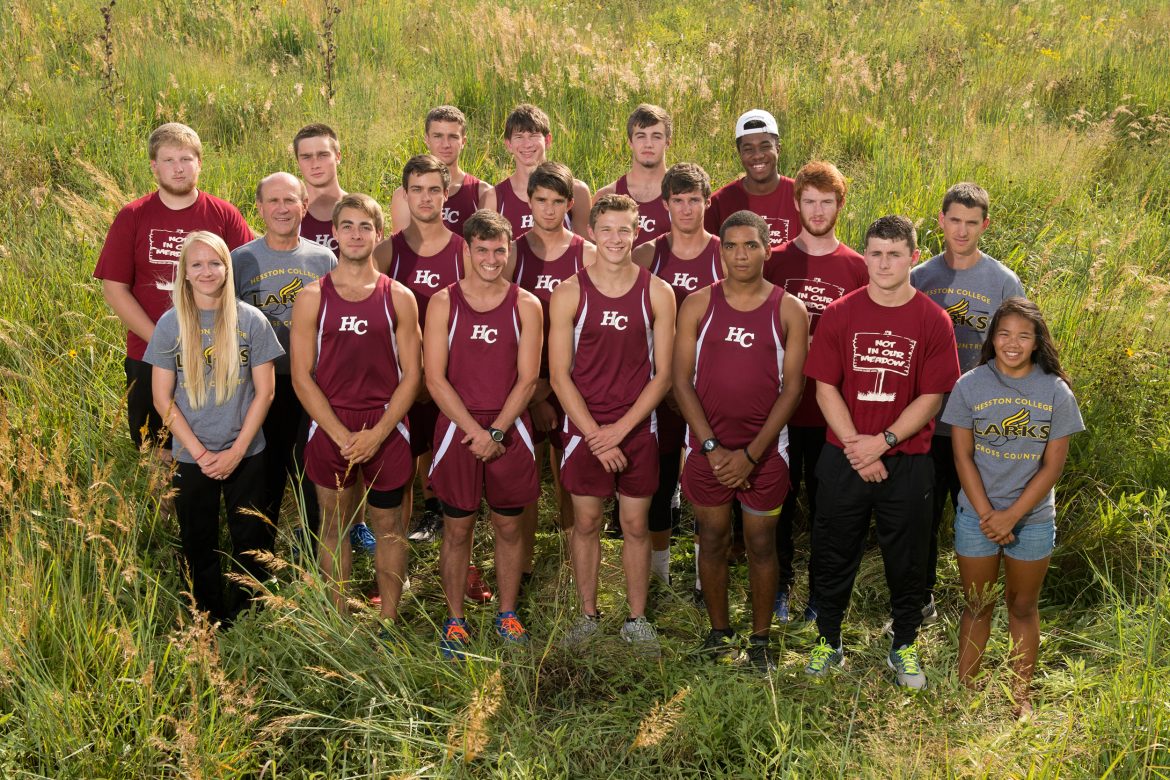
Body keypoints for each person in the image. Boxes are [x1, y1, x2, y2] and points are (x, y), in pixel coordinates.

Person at [802, 215, 959, 689]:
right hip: (844, 458)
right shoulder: (841, 312)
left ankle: (904, 645)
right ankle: (829, 641)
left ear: (913, 257)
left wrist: (883, 443)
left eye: (894, 253)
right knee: (832, 550)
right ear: (865, 256)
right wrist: (857, 447)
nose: (884, 262)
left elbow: (932, 396)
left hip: (908, 461)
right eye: (875, 253)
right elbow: (825, 386)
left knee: (908, 558)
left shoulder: (934, 319)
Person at [673, 210, 808, 672]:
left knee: (761, 543)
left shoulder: (789, 309)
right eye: (730, 245)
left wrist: (751, 455)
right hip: (708, 451)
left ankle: (761, 639)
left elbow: (793, 389)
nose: (740, 254)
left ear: (768, 249)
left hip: (765, 453)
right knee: (710, 537)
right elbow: (680, 381)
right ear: (720, 250)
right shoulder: (697, 304)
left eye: (750, 245)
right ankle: (718, 631)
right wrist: (711, 448)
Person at [942, 297, 1083, 717]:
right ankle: (968, 692)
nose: (1013, 343)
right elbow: (962, 457)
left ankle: (1020, 697)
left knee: (1022, 606)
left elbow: (1052, 466)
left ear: (1038, 341)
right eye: (1004, 333)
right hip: (977, 517)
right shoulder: (970, 385)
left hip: (1033, 519)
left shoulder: (1055, 391)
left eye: (1024, 335)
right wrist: (988, 514)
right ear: (992, 338)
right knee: (978, 604)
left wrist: (1012, 516)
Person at [548, 194, 675, 653]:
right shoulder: (569, 292)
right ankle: (587, 614)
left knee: (636, 524)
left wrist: (619, 432)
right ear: (592, 233)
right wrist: (595, 437)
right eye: (607, 229)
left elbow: (663, 375)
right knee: (585, 522)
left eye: (625, 230)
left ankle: (637, 619)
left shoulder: (657, 292)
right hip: (584, 428)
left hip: (636, 428)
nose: (616, 238)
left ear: (636, 232)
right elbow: (559, 375)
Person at [290, 194, 422, 623]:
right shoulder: (312, 297)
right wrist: (340, 434)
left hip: (385, 424)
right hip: (332, 425)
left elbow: (412, 376)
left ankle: (388, 620)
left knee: (389, 528)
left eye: (365, 227)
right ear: (333, 233)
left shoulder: (398, 297)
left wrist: (378, 433)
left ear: (378, 234)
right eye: (347, 226)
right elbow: (301, 377)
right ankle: (337, 621)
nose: (355, 234)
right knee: (335, 527)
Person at [144, 231, 282, 624]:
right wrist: (201, 454)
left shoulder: (251, 320)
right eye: (198, 264)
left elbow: (265, 392)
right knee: (198, 539)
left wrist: (237, 450)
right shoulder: (171, 324)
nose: (207, 272)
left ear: (227, 268)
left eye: (215, 263)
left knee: (249, 538)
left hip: (246, 452)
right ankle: (208, 615)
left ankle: (250, 614)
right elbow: (162, 399)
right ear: (185, 272)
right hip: (192, 454)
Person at [95, 122, 253, 461]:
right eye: (168, 160)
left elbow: (246, 279)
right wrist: (163, 342)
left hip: (215, 350)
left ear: (200, 163)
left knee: (215, 435)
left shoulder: (223, 215)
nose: (178, 168)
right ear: (154, 166)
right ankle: (164, 511)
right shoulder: (133, 216)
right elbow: (114, 288)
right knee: (157, 443)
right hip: (149, 351)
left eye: (186, 158)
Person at [426, 210, 544, 658]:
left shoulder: (525, 304)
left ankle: (507, 613)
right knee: (457, 529)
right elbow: (434, 378)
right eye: (483, 250)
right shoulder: (443, 302)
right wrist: (475, 430)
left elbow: (528, 378)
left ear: (509, 249)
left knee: (509, 526)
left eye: (500, 249)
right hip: (458, 427)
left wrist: (496, 431)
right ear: (467, 250)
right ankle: (455, 620)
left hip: (509, 427)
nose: (492, 258)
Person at [911, 182, 1024, 624]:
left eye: (971, 223)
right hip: (928, 421)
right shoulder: (920, 277)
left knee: (981, 515)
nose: (961, 230)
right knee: (922, 513)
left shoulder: (1003, 281)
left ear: (985, 226)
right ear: (941, 220)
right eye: (954, 220)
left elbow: (1017, 350)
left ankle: (980, 602)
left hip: (981, 426)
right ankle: (921, 597)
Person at [764, 161, 868, 623]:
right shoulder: (775, 261)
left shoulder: (858, 267)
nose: (818, 210)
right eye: (810, 201)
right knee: (780, 505)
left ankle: (822, 595)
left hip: (834, 413)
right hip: (782, 406)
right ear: (797, 203)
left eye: (827, 201)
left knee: (829, 507)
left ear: (840, 204)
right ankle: (781, 585)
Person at [231, 172, 336, 557]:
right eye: (273, 201)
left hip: (309, 387)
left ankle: (313, 561)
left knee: (310, 478)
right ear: (258, 208)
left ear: (304, 206)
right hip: (257, 389)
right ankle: (258, 565)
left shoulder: (323, 258)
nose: (281, 208)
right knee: (262, 478)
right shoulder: (240, 260)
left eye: (290, 200)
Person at [631, 162, 722, 588]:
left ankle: (707, 580)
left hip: (712, 387)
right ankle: (659, 577)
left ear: (707, 202)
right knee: (662, 477)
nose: (686, 209)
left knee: (711, 479)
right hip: (662, 386)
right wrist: (663, 381)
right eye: (678, 201)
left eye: (694, 200)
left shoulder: (725, 253)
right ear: (664, 204)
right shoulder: (648, 254)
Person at [508, 161, 597, 574]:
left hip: (574, 383)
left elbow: (595, 329)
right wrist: (537, 390)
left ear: (570, 203)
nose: (548, 209)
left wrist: (557, 388)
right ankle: (523, 564)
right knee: (527, 476)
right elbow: (503, 327)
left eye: (557, 201)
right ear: (528, 201)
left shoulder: (588, 254)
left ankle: (567, 561)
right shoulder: (511, 253)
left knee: (570, 477)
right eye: (540, 200)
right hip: (525, 385)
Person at [373, 156, 466, 550]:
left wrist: (437, 374)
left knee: (459, 476)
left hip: (452, 381)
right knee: (400, 471)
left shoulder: (466, 250)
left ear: (446, 194)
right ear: (405, 194)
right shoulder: (385, 253)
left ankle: (464, 559)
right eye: (416, 189)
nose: (425, 198)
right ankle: (398, 563)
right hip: (402, 381)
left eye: (433, 189)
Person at [482, 104, 591, 239]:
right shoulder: (494, 198)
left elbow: (586, 251)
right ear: (509, 144)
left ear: (547, 140)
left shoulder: (576, 190)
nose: (527, 144)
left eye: (533, 135)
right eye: (519, 136)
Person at [390, 105, 491, 237]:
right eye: (438, 136)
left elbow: (490, 250)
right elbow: (402, 252)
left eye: (453, 137)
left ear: (463, 141)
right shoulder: (403, 196)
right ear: (427, 139)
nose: (445, 144)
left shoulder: (483, 193)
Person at [704, 109, 799, 248]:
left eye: (765, 146)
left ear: (778, 149)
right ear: (739, 153)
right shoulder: (718, 203)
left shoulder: (802, 196)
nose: (758, 155)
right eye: (748, 149)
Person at [594, 104, 673, 242]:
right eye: (641, 136)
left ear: (668, 142)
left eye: (656, 136)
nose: (648, 144)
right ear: (630, 142)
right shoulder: (606, 195)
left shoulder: (684, 197)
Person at [293, 123, 346, 256]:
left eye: (323, 155)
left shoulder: (362, 210)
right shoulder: (289, 214)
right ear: (298, 161)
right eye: (306, 157)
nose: (315, 164)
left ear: (338, 157)